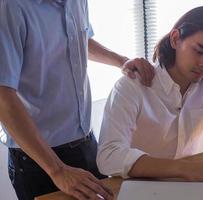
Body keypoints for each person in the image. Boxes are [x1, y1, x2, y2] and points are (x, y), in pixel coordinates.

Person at [0, 0, 154, 199]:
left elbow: (80, 39)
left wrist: (121, 61)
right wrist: (58, 170)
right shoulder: (9, 8)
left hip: (85, 142)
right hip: (39, 158)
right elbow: (3, 97)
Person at [97, 6, 203, 182]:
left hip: (186, 184)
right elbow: (109, 156)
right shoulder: (132, 86)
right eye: (199, 51)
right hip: (139, 186)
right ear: (175, 39)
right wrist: (182, 168)